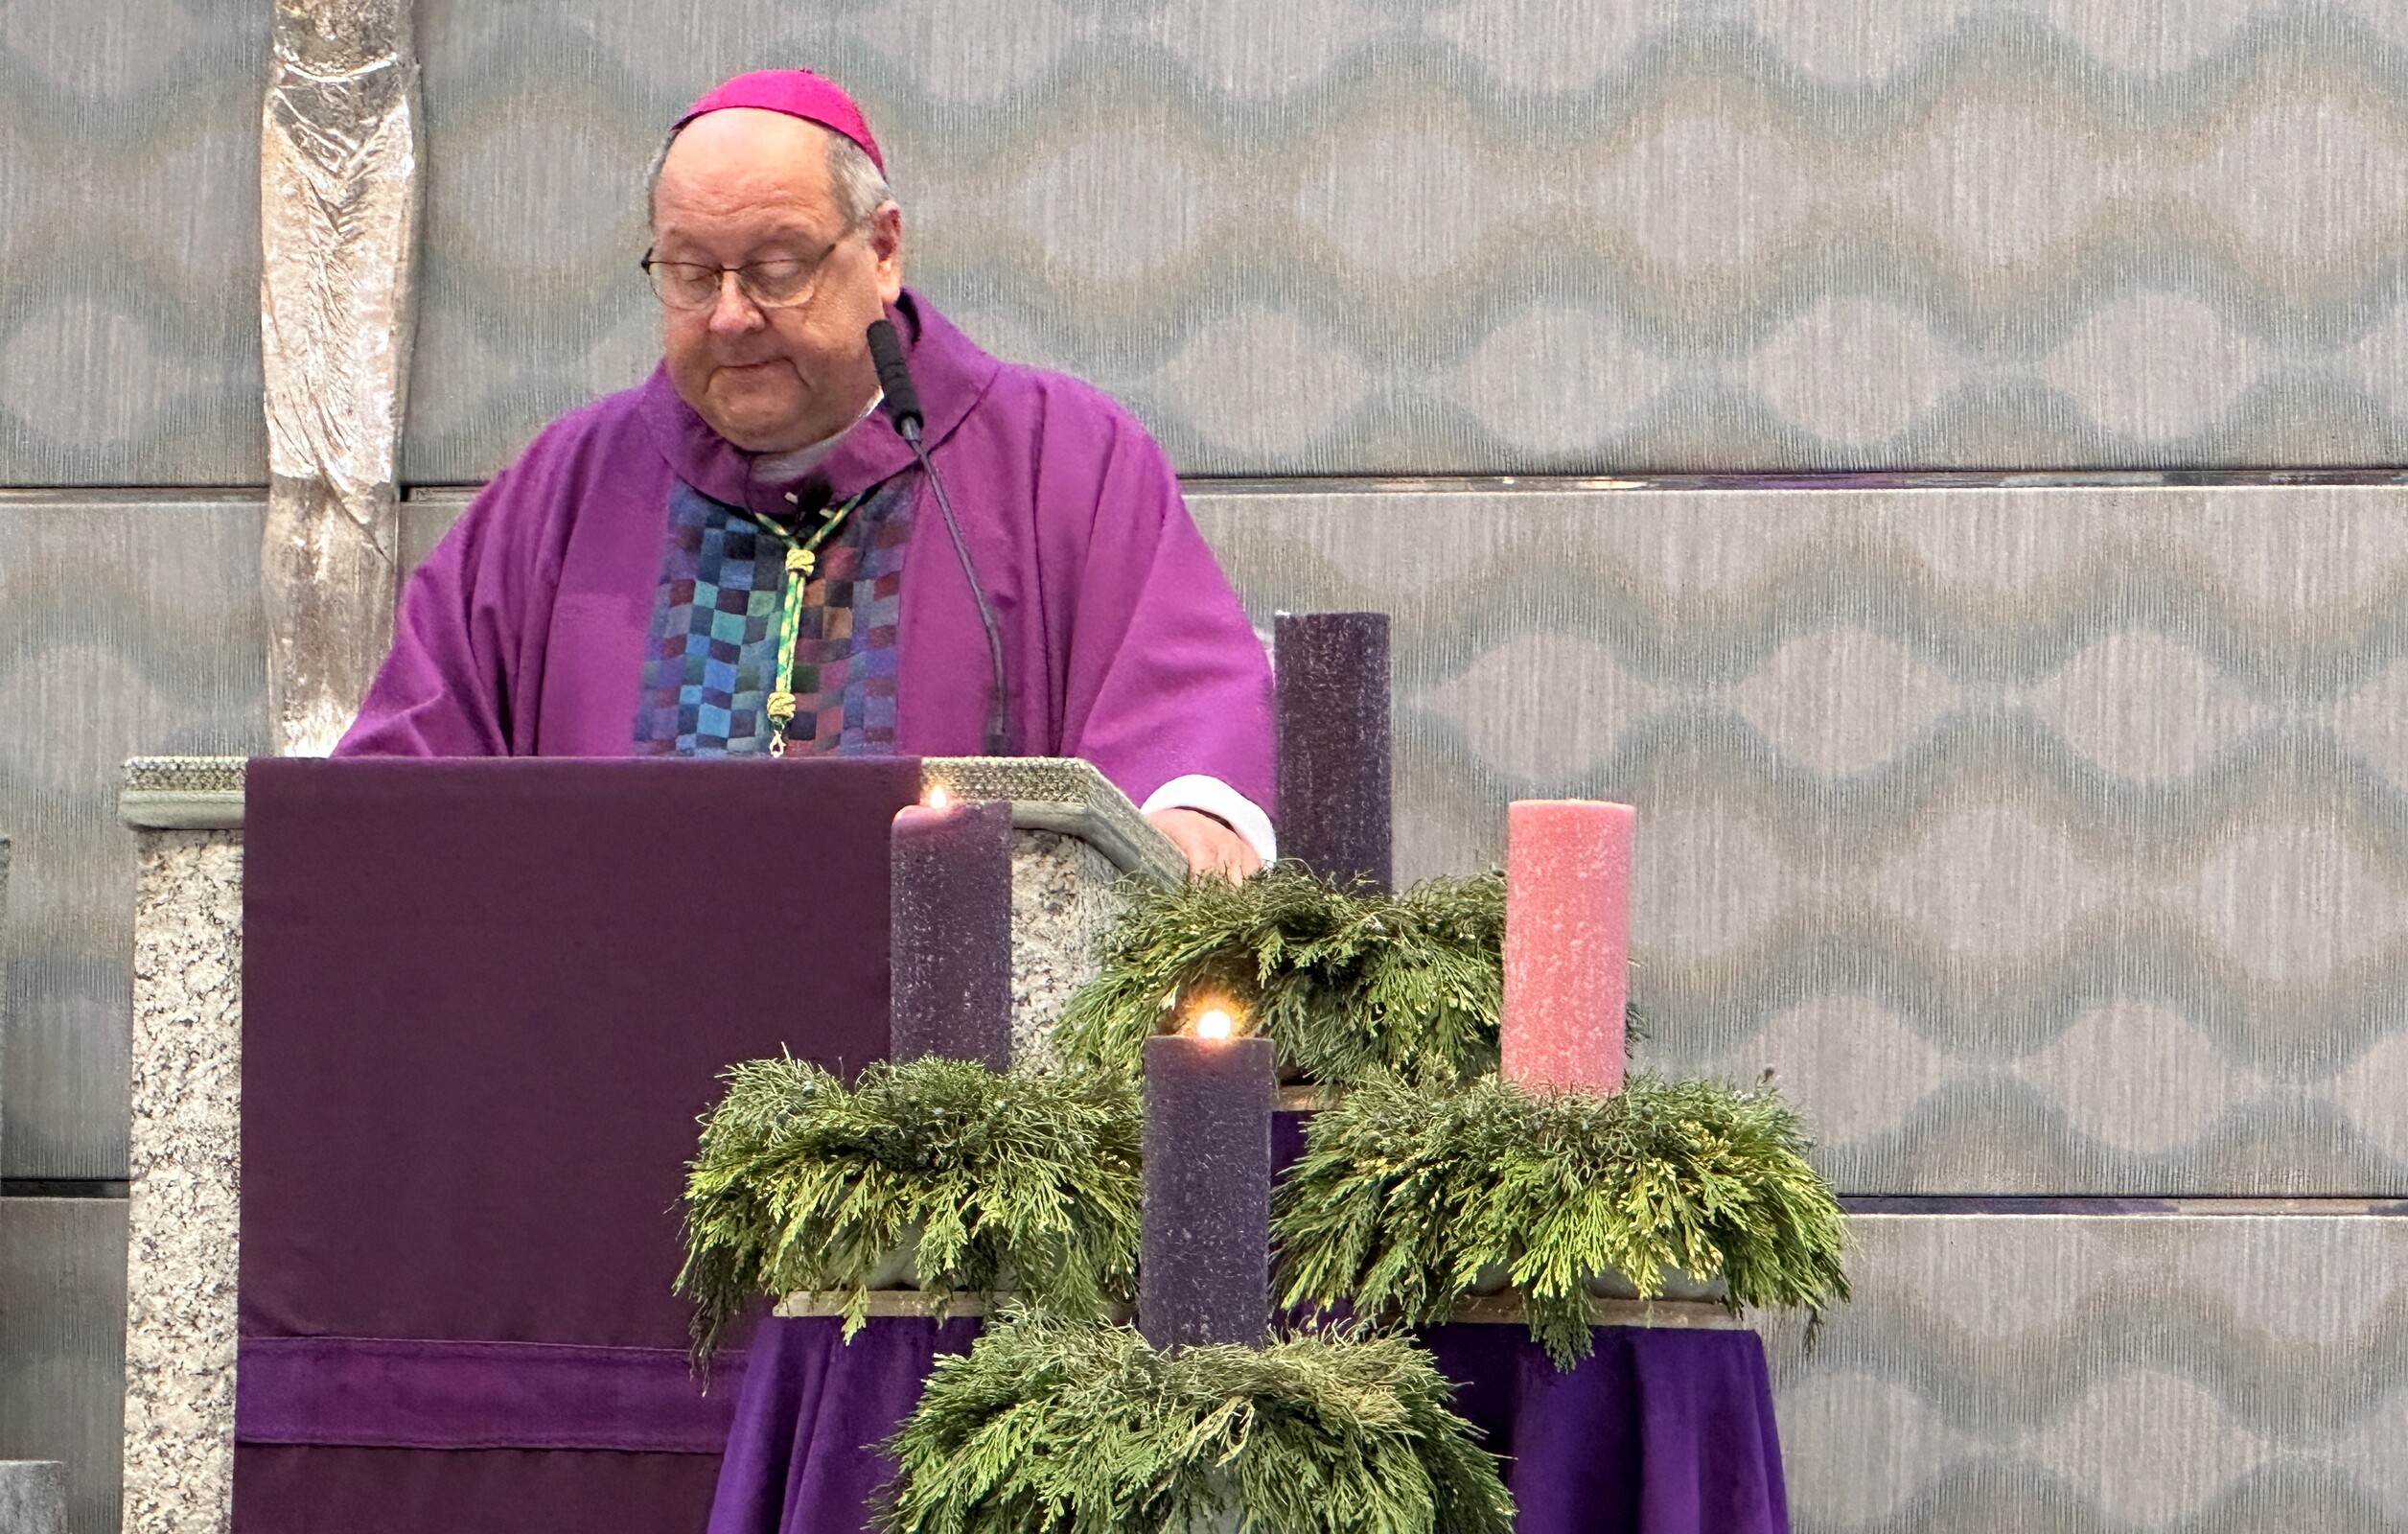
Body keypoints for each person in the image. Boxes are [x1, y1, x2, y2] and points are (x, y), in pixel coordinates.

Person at [336, 68, 1274, 877]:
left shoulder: (1064, 461)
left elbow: (1184, 717)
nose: (731, 316)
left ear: (883, 250)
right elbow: (396, 788)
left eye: (778, 268)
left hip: (961, 1030)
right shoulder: (563, 488)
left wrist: (1188, 826)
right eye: (690, 273)